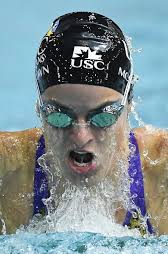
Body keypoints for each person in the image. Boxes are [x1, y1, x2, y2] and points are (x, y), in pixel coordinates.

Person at [0, 12, 168, 235]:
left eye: (103, 117)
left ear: (128, 107)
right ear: (39, 109)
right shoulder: (7, 172)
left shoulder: (161, 172)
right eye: (59, 116)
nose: (81, 137)